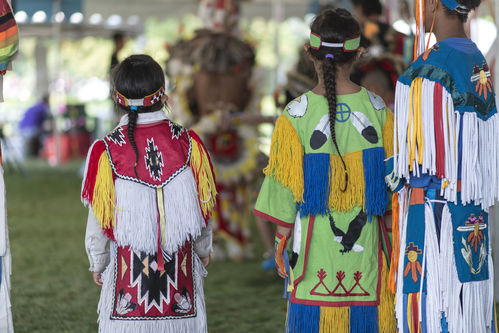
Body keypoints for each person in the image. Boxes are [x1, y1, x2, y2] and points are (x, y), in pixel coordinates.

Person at [254, 9, 396, 332]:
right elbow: (391, 198)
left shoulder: (294, 116)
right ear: (358, 54)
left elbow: (283, 197)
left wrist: (280, 246)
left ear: (310, 53)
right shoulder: (379, 113)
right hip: (369, 266)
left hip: (313, 266)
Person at [81, 55, 216, 332]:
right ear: (163, 96)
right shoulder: (188, 144)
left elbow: (99, 216)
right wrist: (204, 248)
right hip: (180, 288)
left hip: (129, 291)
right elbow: (204, 206)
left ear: (118, 99)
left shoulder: (106, 151)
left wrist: (99, 260)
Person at [391, 0, 497, 331]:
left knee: (434, 304)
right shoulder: (474, 57)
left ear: (434, 4)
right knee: (466, 305)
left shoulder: (432, 65)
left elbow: (419, 159)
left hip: (436, 212)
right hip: (470, 209)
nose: (413, 9)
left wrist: (392, 174)